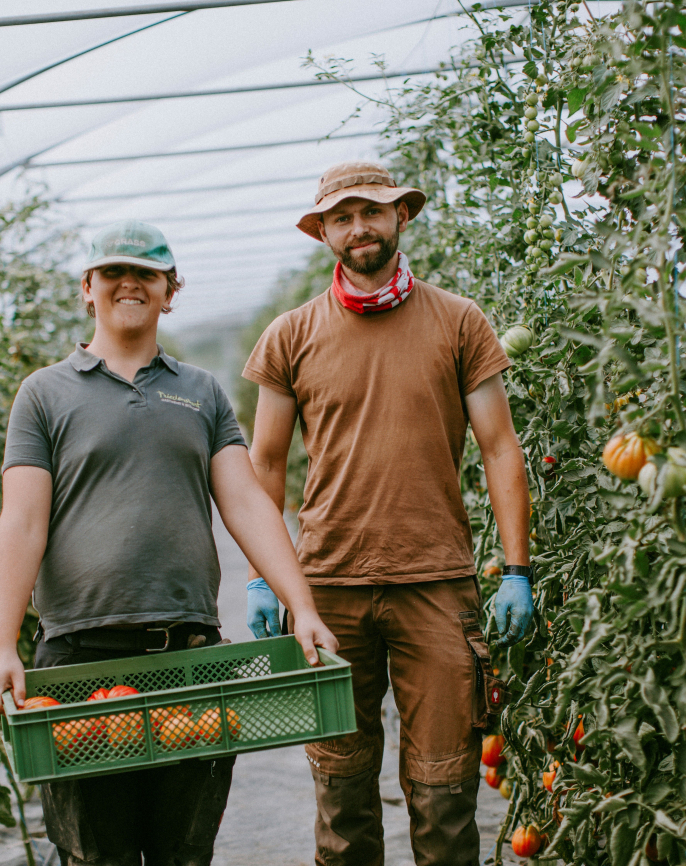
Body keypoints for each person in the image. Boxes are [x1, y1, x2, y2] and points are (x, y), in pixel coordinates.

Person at [0, 219, 337, 866]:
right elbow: (22, 522)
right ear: (87, 288)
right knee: (95, 854)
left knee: (185, 852)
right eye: (114, 271)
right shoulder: (44, 394)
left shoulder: (199, 391)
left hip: (189, 655)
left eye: (146, 273)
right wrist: (2, 643)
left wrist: (302, 607)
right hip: (78, 662)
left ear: (169, 291)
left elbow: (245, 503)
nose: (129, 283)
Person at [242, 162, 534, 866]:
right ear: (323, 233)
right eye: (341, 217)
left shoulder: (458, 321)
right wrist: (266, 578)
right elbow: (266, 464)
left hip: (435, 583)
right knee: (340, 790)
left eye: (371, 211)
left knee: (444, 790)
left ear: (401, 217)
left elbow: (499, 447)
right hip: (327, 592)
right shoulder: (291, 335)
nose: (358, 228)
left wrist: (515, 571)